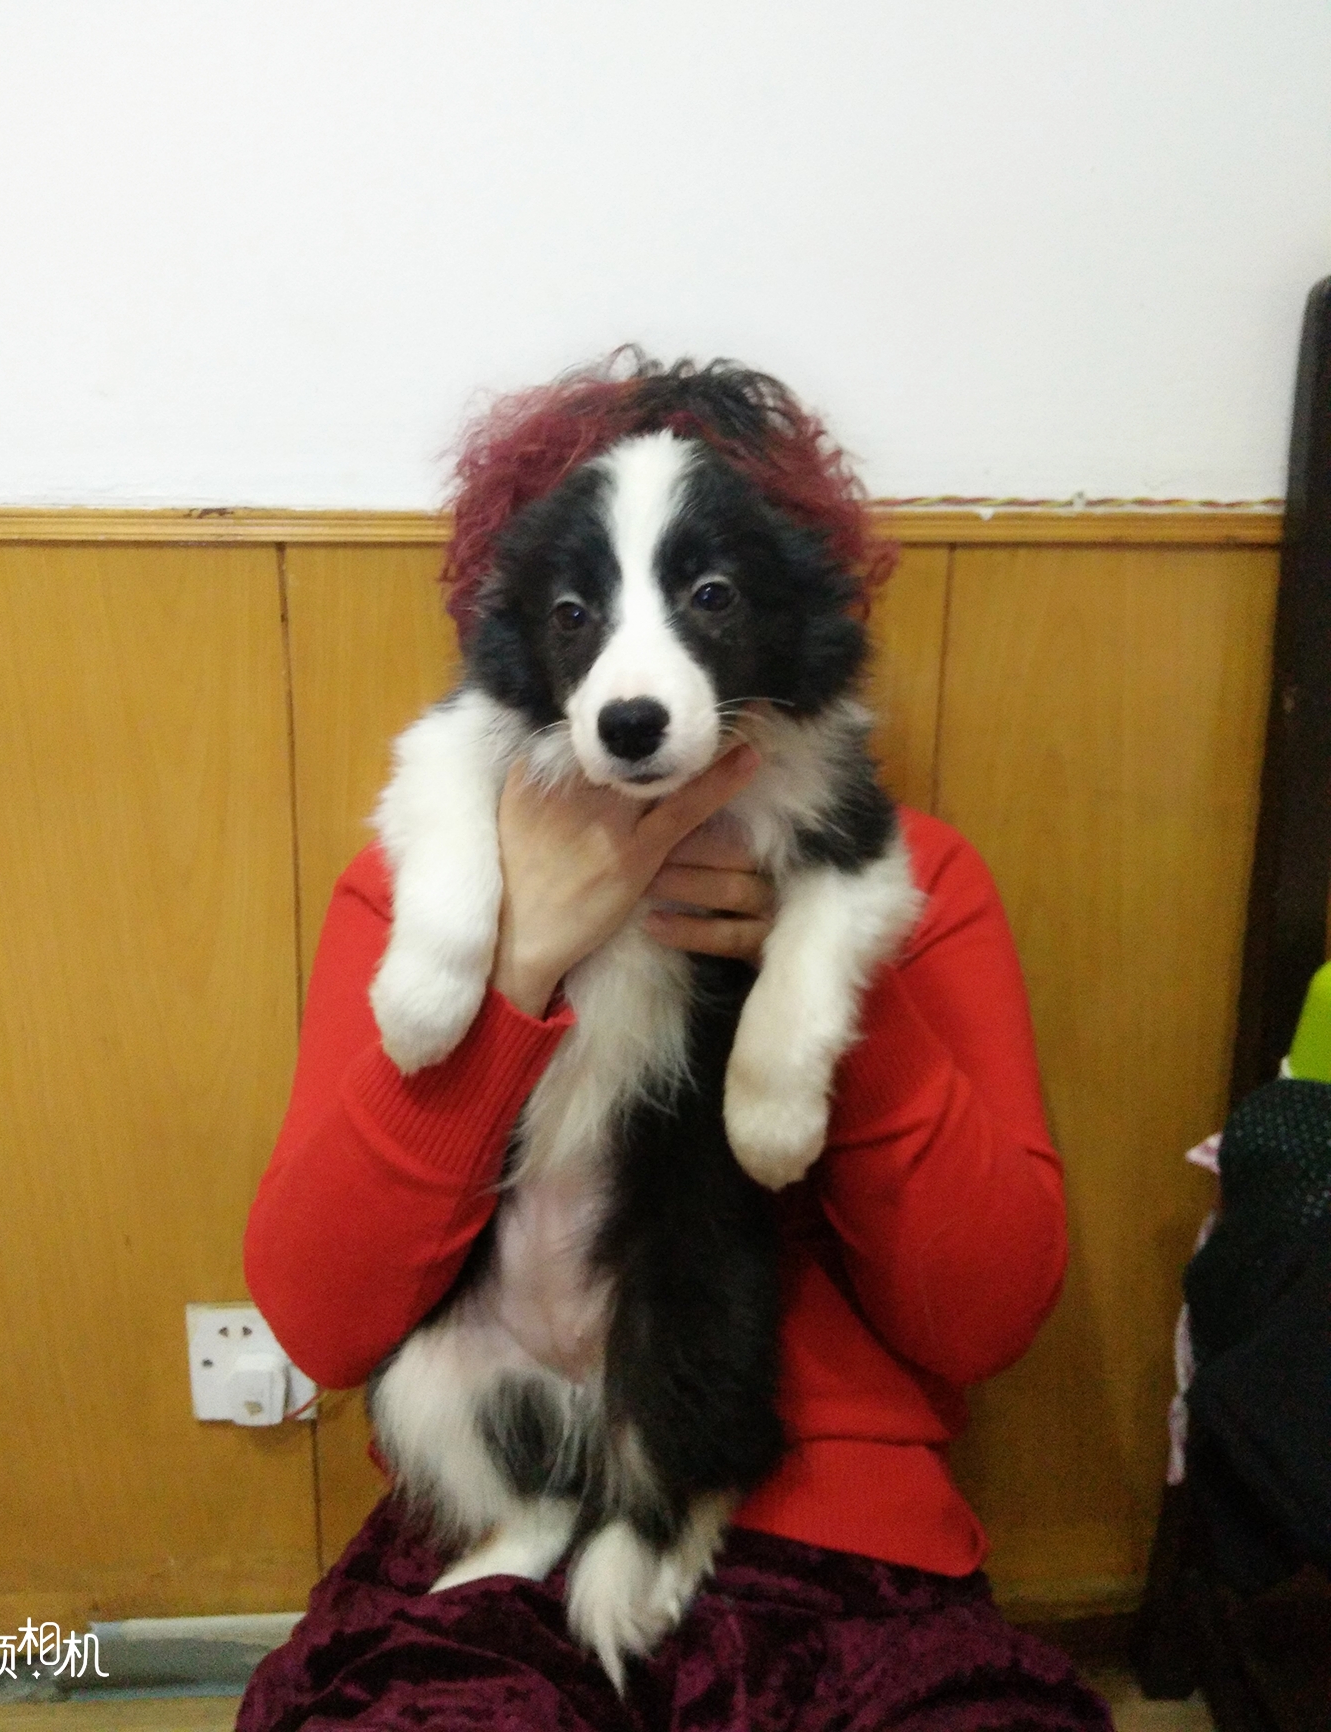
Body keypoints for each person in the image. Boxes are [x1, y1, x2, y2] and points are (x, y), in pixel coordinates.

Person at [237, 357, 1112, 1731]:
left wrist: (824, 984)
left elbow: (983, 1314)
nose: (637, 669)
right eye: (582, 612)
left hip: (834, 1522)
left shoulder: (913, 877)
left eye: (706, 594)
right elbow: (321, 1316)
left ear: (797, 604)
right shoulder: (413, 884)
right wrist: (519, 962)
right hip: (505, 1489)